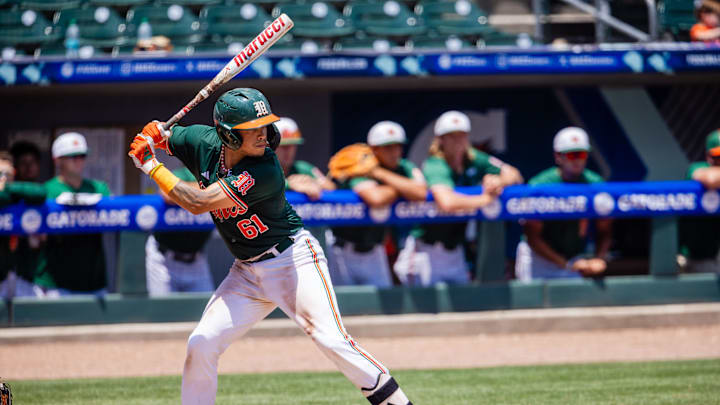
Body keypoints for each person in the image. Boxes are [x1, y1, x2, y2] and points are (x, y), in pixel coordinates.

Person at [129, 88, 413, 405]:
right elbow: (164, 135)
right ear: (228, 135)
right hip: (246, 272)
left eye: (265, 125)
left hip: (293, 260)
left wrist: (151, 165)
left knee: (330, 339)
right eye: (253, 128)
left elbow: (198, 202)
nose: (263, 134)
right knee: (202, 342)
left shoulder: (264, 169)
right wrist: (155, 133)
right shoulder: (200, 140)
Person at [395, 110, 523, 285]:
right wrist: (485, 199)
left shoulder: (473, 158)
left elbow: (515, 174)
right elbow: (447, 202)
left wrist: (498, 181)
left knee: (464, 307)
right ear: (440, 139)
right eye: (451, 136)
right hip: (426, 252)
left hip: (455, 251)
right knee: (423, 309)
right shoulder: (435, 164)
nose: (457, 141)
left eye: (461, 135)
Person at [329, 121, 427, 287]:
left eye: (398, 146)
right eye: (388, 147)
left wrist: (379, 174)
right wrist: (402, 188)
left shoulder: (402, 167)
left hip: (375, 251)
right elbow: (376, 199)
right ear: (374, 149)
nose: (395, 152)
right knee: (340, 307)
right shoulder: (359, 164)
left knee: (384, 309)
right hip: (342, 250)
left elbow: (421, 193)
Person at [515, 127, 611, 281]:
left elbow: (605, 229)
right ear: (558, 156)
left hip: (574, 256)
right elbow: (532, 237)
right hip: (539, 258)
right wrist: (565, 264)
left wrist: (599, 259)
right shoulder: (540, 185)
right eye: (572, 154)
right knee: (532, 303)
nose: (578, 160)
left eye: (582, 154)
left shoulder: (595, 184)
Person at [34, 132, 111, 297]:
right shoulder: (45, 191)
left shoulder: (99, 188)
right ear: (57, 160)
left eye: (82, 156)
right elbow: (36, 238)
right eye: (72, 156)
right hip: (56, 280)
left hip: (93, 280)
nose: (78, 161)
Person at [146, 166, 214, 296]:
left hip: (197, 259)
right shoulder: (184, 173)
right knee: (163, 314)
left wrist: (188, 190)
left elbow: (231, 192)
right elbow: (167, 192)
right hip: (164, 259)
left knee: (206, 310)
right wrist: (211, 190)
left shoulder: (220, 174)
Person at [0, 151, 46, 299]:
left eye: (7, 173)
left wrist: (8, 188)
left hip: (19, 277)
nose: (3, 178)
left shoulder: (17, 193)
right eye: (0, 173)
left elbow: (40, 192)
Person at [680, 129, 720, 273]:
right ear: (708, 156)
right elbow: (711, 179)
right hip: (701, 257)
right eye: (718, 156)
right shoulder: (697, 169)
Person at [274, 116, 335, 200]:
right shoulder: (264, 168)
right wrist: (289, 184)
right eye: (284, 146)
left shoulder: (302, 168)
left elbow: (331, 187)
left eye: (292, 145)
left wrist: (313, 182)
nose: (288, 151)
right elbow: (261, 185)